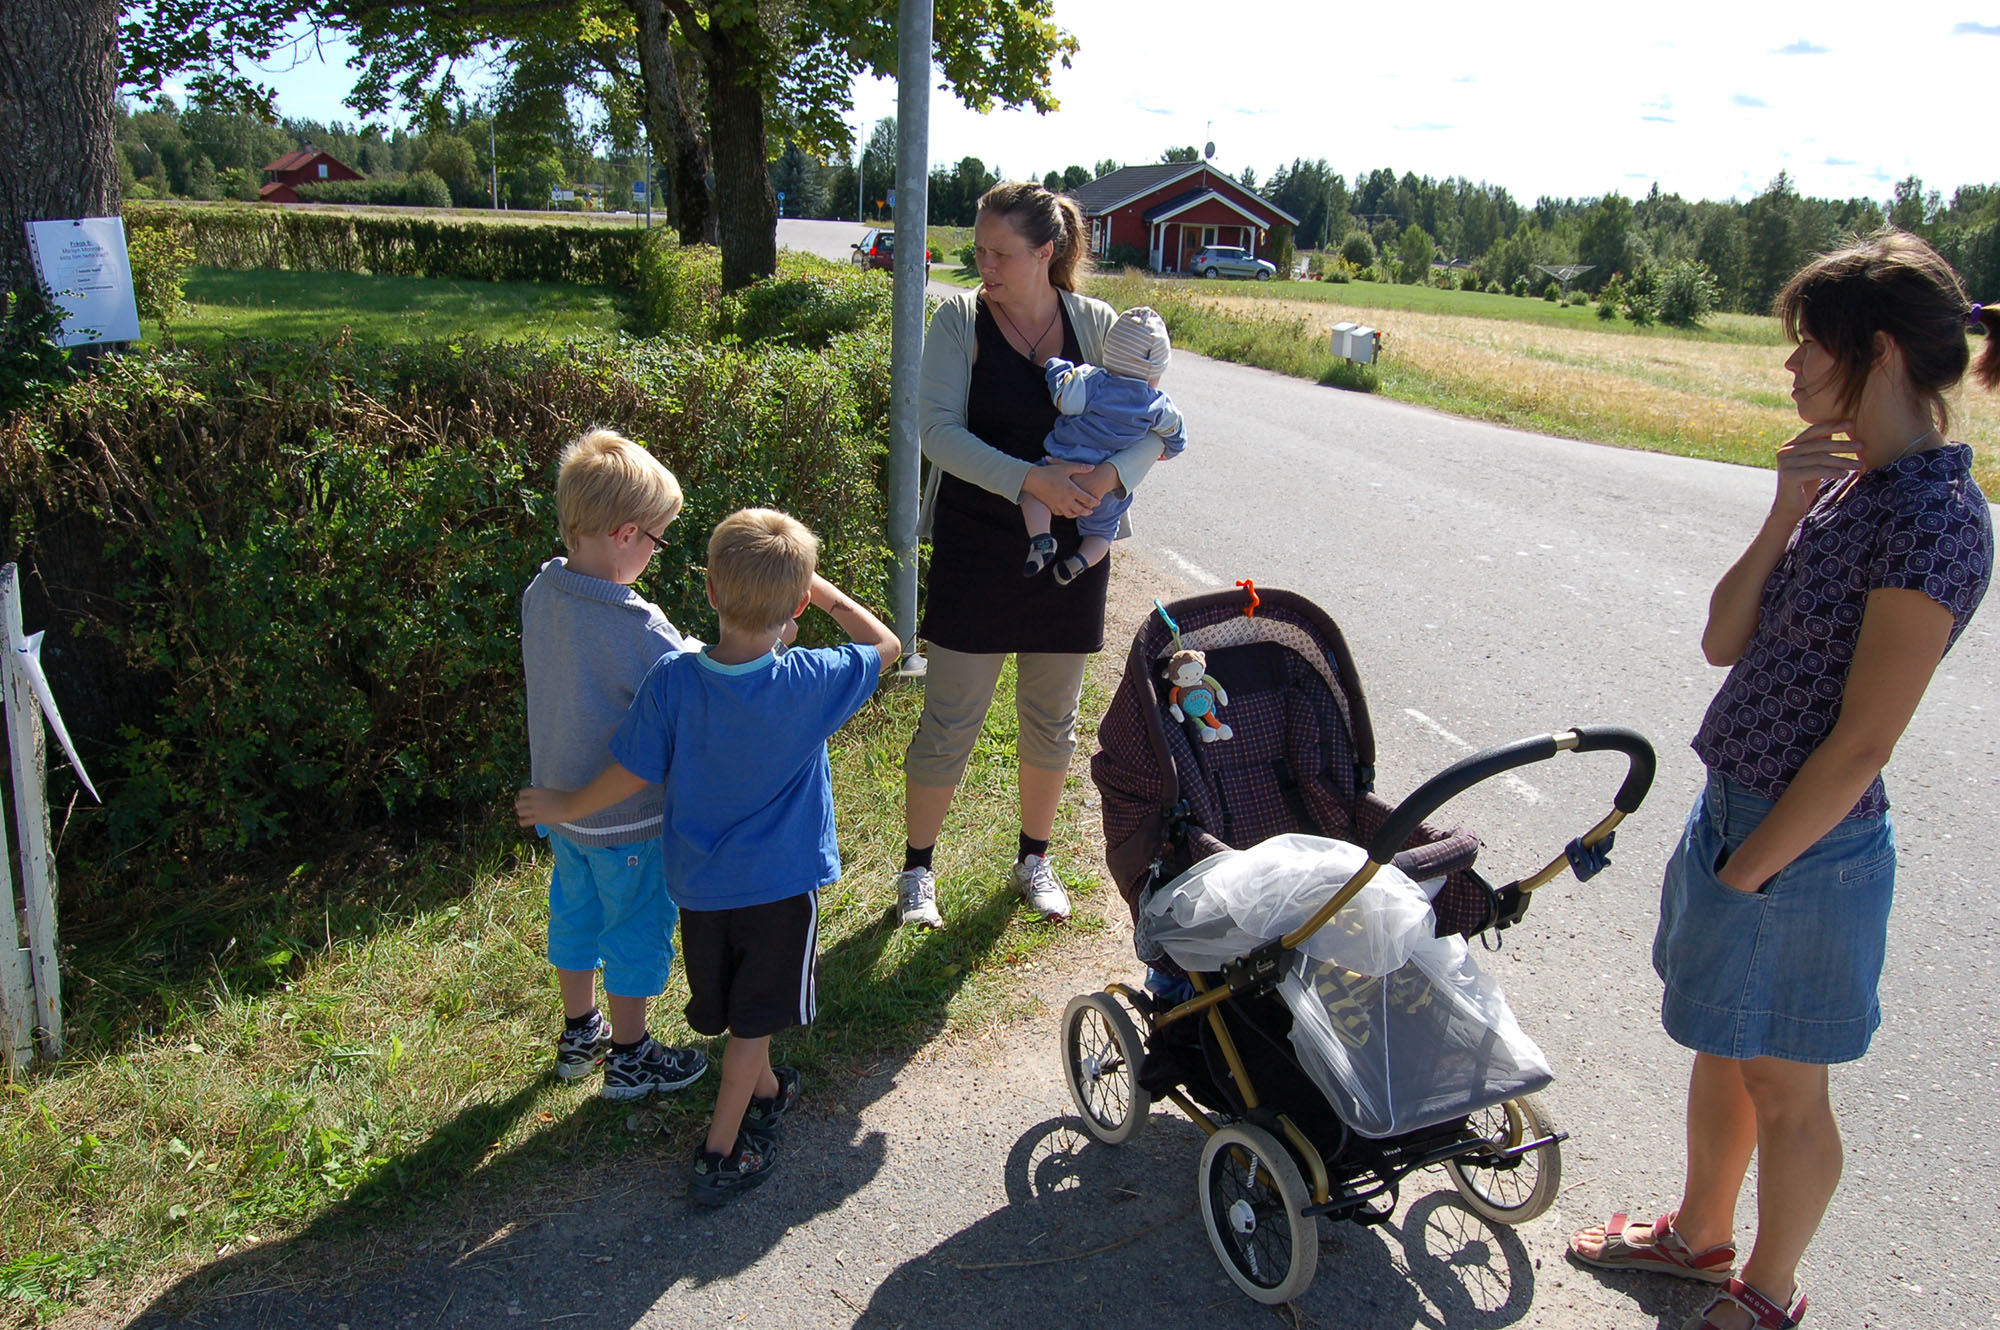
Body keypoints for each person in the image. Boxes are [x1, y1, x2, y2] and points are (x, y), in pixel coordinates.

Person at [1569, 230, 1994, 1330]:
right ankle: (1696, 1237)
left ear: (1881, 352)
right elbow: (1721, 640)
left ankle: (1764, 1294)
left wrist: (1745, 874)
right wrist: (1779, 509)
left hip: (1798, 849)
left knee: (1786, 1088)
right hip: (1739, 817)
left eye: (1808, 346)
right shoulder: (1846, 484)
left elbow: (1861, 743)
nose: (1790, 368)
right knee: (1721, 1042)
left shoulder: (1933, 519)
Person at [516, 509, 899, 1205]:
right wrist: (823, 592)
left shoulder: (673, 679)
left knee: (733, 1003)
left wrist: (565, 807)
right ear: (797, 605)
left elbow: (629, 772)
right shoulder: (810, 678)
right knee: (753, 1025)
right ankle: (722, 1150)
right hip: (781, 892)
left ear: (712, 594)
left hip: (698, 886)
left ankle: (773, 1092)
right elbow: (886, 643)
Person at [896, 181, 1172, 930]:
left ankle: (1035, 858)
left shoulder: (1099, 325)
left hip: (1072, 552)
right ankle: (918, 871)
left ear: (1047, 253)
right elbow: (937, 434)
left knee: (1052, 719)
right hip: (977, 545)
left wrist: (1112, 479)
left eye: (1000, 253)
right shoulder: (960, 319)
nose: (982, 263)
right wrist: (1031, 479)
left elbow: (1150, 426)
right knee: (950, 718)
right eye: (979, 249)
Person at [520, 428, 709, 1099]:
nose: (656, 555)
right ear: (627, 534)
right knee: (635, 930)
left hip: (561, 810)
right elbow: (685, 685)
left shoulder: (541, 593)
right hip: (629, 821)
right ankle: (631, 1055)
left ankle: (580, 1034)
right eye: (657, 541)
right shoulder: (639, 625)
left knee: (574, 916)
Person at [1021, 304, 1187, 586]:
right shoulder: (1157, 404)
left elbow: (1064, 398)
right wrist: (1169, 449)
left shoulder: (1094, 381)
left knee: (1031, 495)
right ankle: (1079, 561)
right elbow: (1178, 436)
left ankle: (1041, 540)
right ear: (1154, 371)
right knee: (1103, 533)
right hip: (1108, 491)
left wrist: (1056, 366)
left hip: (1065, 463)